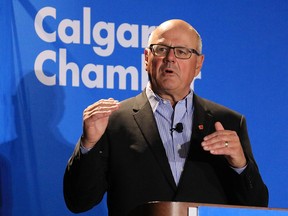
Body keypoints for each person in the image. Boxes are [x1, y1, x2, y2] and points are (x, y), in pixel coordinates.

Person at [63, 19, 268, 216]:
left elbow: (256, 206)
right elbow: (79, 201)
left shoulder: (228, 123)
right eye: (161, 49)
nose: (170, 58)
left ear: (198, 64)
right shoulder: (113, 121)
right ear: (146, 58)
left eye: (182, 52)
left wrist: (240, 165)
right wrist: (88, 145)